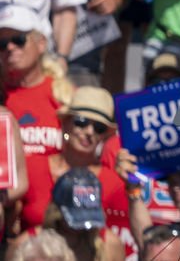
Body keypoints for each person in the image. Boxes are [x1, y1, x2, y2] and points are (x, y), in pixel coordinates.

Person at [21, 87, 127, 235]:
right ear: (65, 124)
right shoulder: (31, 168)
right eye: (81, 122)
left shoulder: (113, 183)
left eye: (99, 127)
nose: (90, 132)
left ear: (104, 136)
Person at [1, 4, 74, 158]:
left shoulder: (66, 95)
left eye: (18, 40)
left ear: (41, 43)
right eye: (1, 43)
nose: (10, 47)